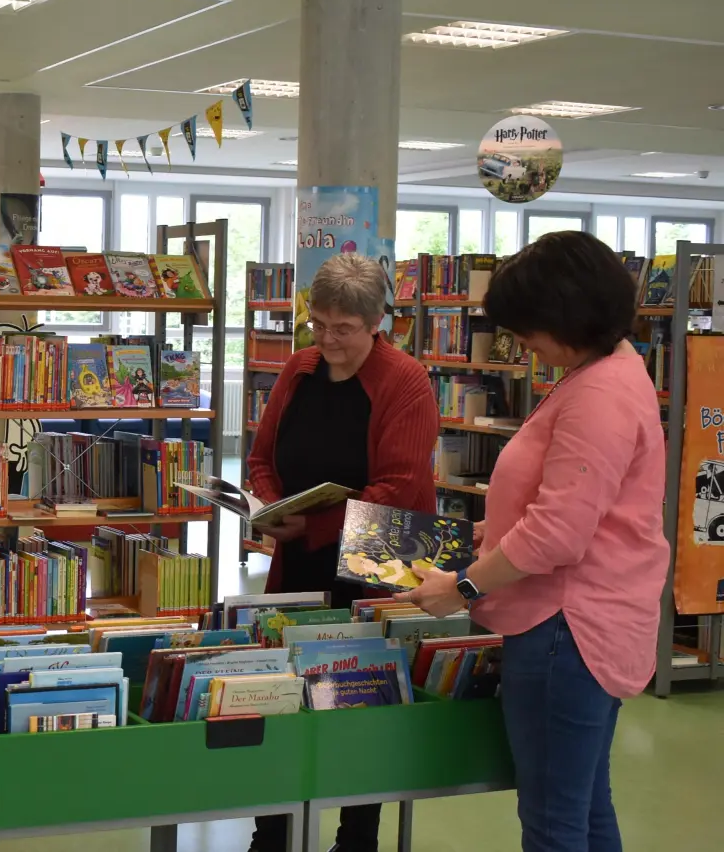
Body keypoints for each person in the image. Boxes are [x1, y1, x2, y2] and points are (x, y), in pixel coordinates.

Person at [398, 231, 667, 852]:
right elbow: (573, 505)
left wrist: (462, 587)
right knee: (584, 805)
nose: (523, 346)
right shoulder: (608, 371)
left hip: (564, 629)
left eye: (528, 331)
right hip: (586, 622)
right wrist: (488, 533)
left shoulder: (598, 394)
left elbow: (560, 533)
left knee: (553, 821)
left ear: (566, 317)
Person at [245, 253, 439, 852]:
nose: (327, 340)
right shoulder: (299, 370)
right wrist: (272, 509)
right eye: (319, 324)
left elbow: (398, 490)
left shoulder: (406, 381)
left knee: (359, 706)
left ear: (377, 321)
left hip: (375, 568)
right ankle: (271, 833)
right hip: (298, 560)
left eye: (343, 329)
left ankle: (357, 838)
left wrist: (310, 525)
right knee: (277, 699)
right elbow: (260, 458)